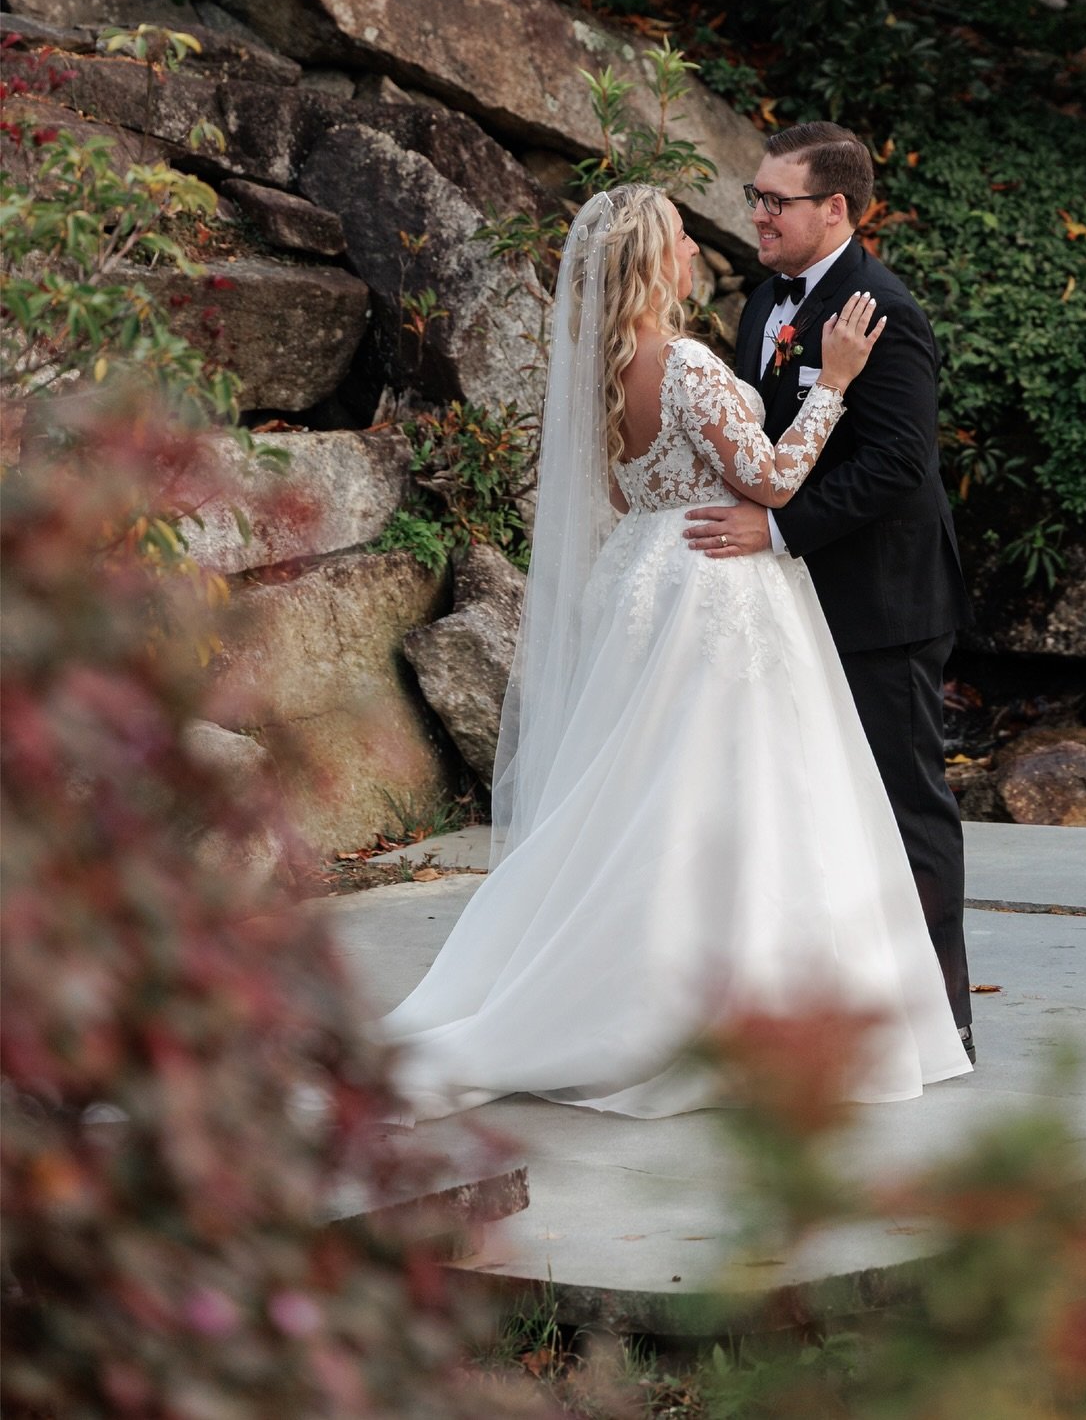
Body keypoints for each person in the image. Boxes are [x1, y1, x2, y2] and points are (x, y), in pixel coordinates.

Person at [378, 183, 972, 1122]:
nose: (698, 250)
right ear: (657, 259)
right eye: (685, 239)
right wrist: (834, 380)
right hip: (714, 588)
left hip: (644, 579)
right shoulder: (687, 361)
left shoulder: (606, 368)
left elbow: (626, 495)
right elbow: (773, 479)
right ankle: (720, 1011)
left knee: (648, 791)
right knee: (736, 796)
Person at [683, 123, 975, 1061]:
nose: (758, 215)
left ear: (835, 209)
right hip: (787, 604)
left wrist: (776, 530)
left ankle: (943, 1017)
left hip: (882, 605)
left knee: (905, 807)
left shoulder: (884, 310)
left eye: (778, 201)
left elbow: (898, 463)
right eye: (757, 197)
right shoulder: (763, 300)